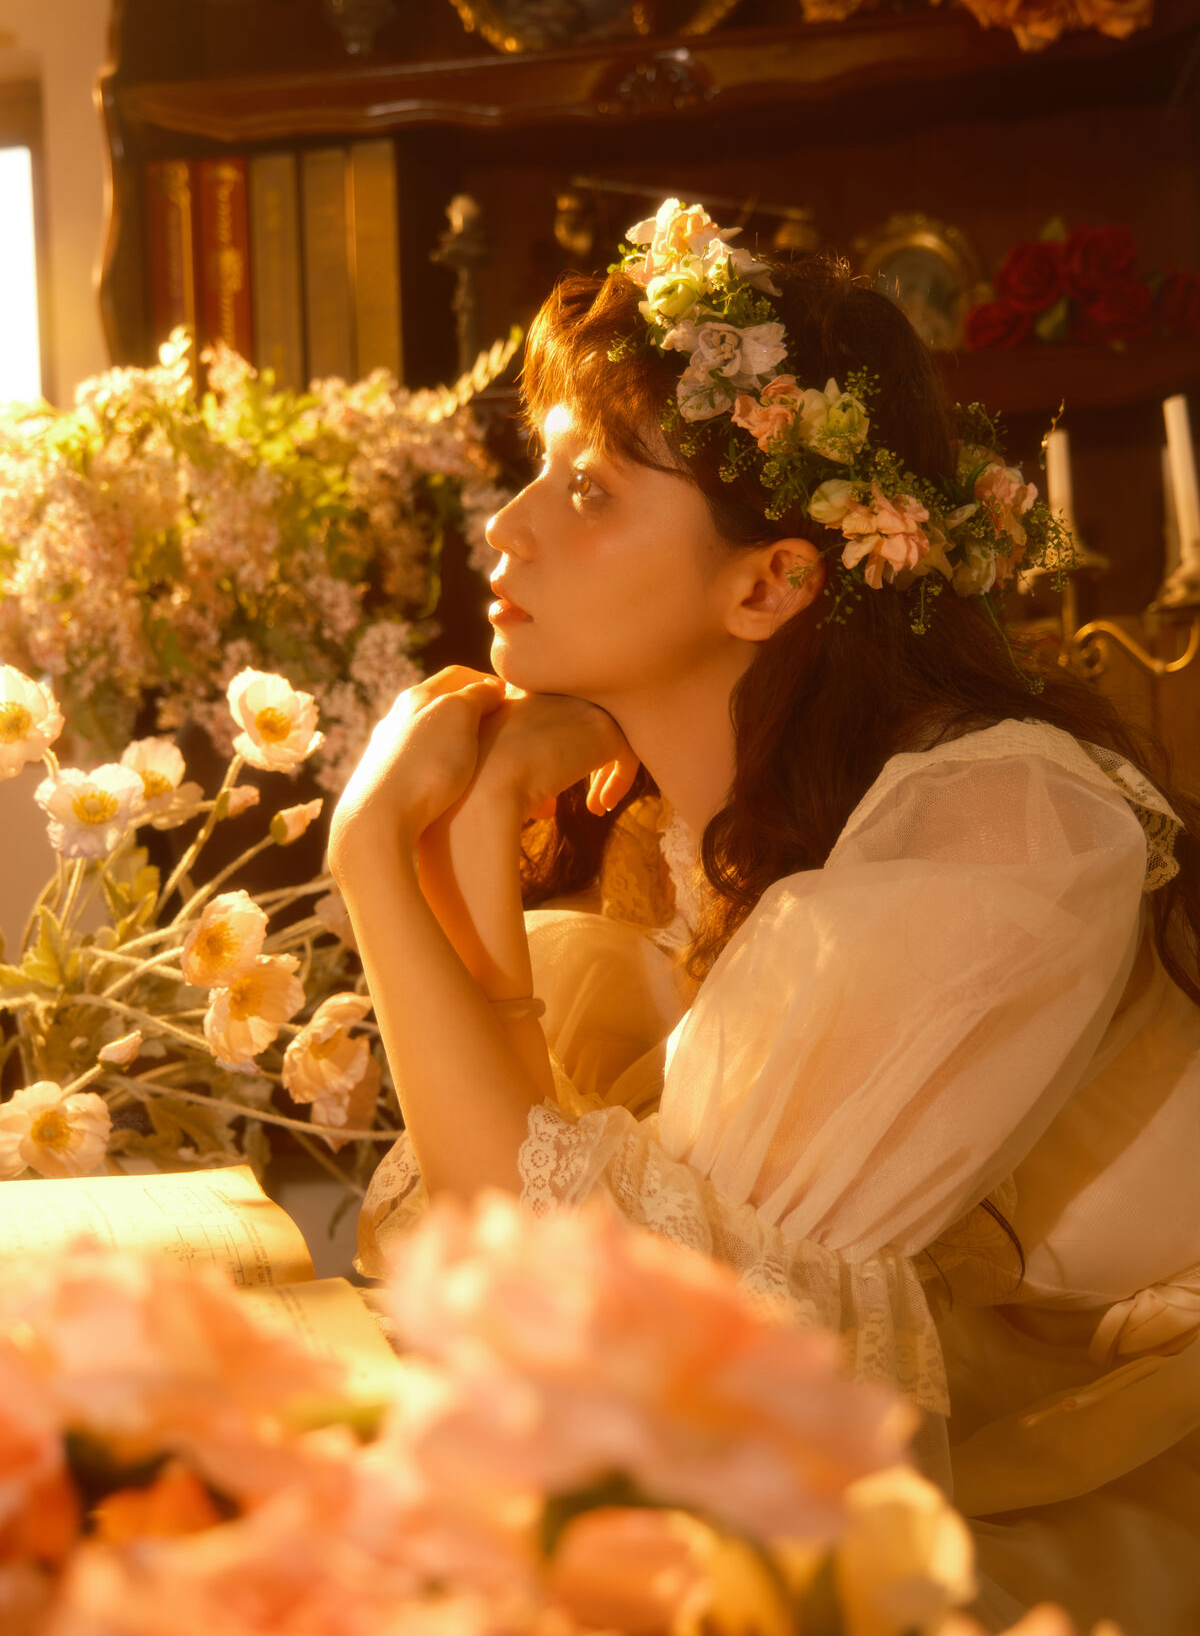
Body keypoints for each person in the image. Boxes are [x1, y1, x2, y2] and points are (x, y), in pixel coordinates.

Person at [329, 199, 1200, 1633]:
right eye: (537, 470)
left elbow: (624, 1352)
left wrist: (374, 854)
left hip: (1110, 1479)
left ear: (772, 581)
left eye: (591, 490)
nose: (508, 527)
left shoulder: (1001, 824)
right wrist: (468, 839)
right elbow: (531, 1248)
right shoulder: (698, 835)